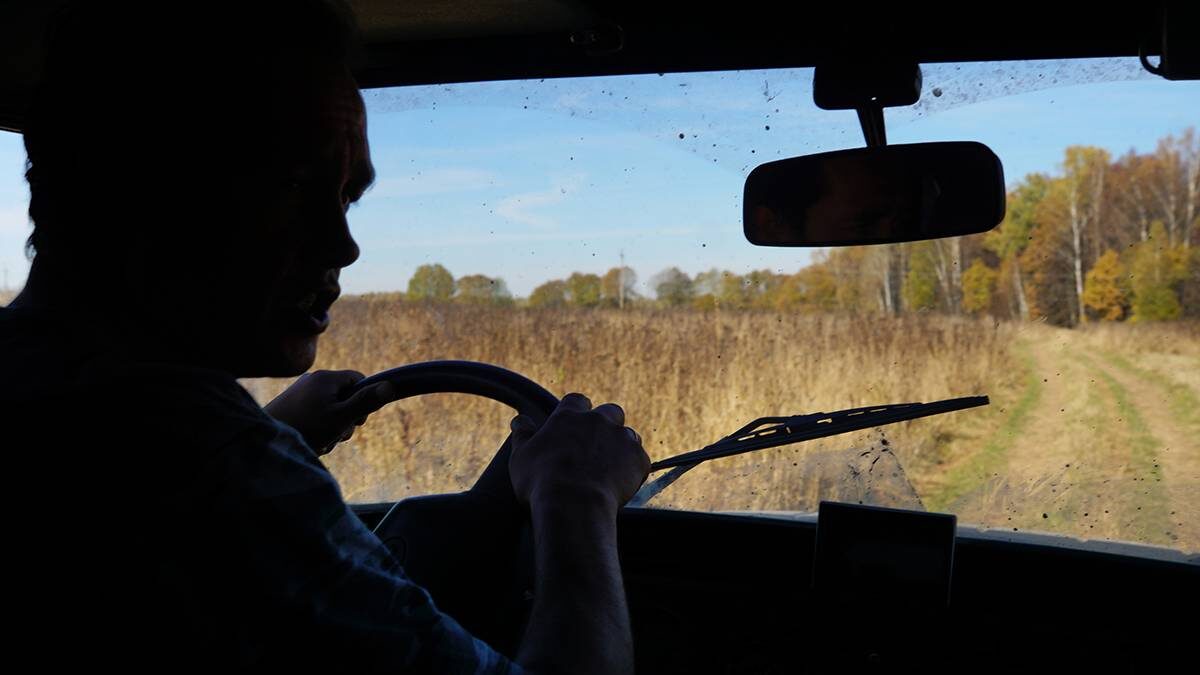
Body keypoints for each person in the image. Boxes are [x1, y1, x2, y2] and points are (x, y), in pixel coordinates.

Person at [0, 1, 650, 672]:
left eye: (344, 196)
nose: (343, 243)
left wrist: (281, 434)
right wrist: (577, 500)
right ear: (131, 184)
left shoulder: (67, 403)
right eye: (290, 183)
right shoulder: (217, 473)